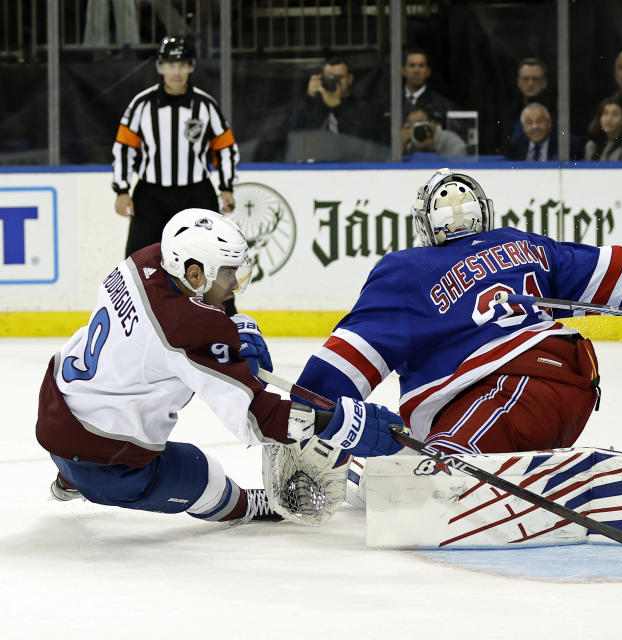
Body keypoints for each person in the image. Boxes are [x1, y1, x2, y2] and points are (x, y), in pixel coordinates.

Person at [294, 168, 622, 455]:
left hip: (506, 388)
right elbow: (614, 271)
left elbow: (342, 365)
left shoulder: (406, 271)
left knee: (435, 476)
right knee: (439, 455)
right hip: (574, 382)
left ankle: (454, 465)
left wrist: (302, 413)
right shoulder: (523, 244)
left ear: (425, 226)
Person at [36, 209, 404, 525]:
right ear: (194, 273)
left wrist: (229, 335)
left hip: (57, 409)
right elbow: (255, 419)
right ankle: (247, 508)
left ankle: (69, 478)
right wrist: (336, 424)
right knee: (203, 474)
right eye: (228, 272)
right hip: (110, 463)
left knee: (136, 387)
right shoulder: (187, 328)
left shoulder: (146, 259)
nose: (234, 283)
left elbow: (186, 318)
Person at [112, 35, 238, 260]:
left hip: (196, 193)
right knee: (138, 262)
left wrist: (226, 187)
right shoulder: (142, 104)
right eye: (170, 65)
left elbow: (225, 147)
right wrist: (122, 190)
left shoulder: (205, 105)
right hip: (151, 195)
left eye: (182, 65)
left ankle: (217, 298)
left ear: (191, 67)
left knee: (212, 257)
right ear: (161, 67)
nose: (176, 72)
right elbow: (124, 147)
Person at [287, 56, 378, 142]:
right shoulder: (314, 108)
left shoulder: (363, 109)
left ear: (350, 79)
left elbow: (361, 138)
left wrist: (339, 107)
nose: (335, 82)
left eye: (340, 77)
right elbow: (292, 130)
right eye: (330, 78)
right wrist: (309, 97)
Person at [499, 58, 555, 153]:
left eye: (535, 79)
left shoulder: (557, 110)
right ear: (519, 82)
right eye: (526, 79)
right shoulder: (507, 111)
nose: (530, 84)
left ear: (544, 82)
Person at [504, 102, 583, 161]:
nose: (535, 126)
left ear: (549, 123)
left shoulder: (568, 144)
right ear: (523, 127)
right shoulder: (514, 146)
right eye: (529, 122)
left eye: (540, 121)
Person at [401, 48, 452, 123]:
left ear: (428, 71)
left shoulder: (443, 104)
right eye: (412, 66)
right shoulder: (390, 102)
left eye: (421, 66)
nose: (416, 71)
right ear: (403, 71)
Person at [402, 108, 468, 158]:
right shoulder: (408, 143)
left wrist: (432, 144)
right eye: (412, 125)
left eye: (421, 124)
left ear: (433, 123)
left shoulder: (452, 141)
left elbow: (460, 167)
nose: (417, 129)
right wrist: (402, 144)